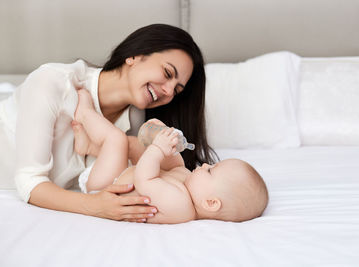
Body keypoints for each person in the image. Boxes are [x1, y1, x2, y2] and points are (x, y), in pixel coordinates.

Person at [0, 24, 216, 222]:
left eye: (176, 90)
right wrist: (95, 206)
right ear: (135, 55)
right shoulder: (53, 82)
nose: (168, 91)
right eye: (167, 73)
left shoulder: (136, 123)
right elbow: (29, 182)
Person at [73, 88, 268, 223]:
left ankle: (84, 113)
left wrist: (158, 150)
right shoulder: (186, 184)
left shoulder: (180, 207)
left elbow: (145, 179)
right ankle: (89, 146)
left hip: (102, 188)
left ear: (210, 203)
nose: (206, 164)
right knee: (130, 145)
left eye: (210, 171)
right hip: (119, 174)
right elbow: (173, 168)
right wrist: (169, 143)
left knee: (116, 139)